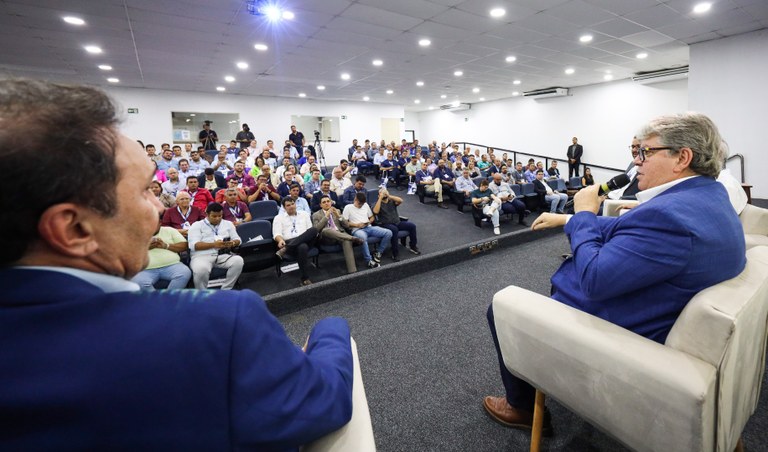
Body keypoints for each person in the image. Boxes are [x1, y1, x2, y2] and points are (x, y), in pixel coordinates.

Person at [0, 79, 353, 449]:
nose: (159, 207)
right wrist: (331, 328)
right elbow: (323, 400)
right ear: (73, 228)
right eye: (142, 191)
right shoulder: (217, 325)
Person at [484, 112, 747, 433]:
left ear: (682, 157)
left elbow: (594, 280)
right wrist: (568, 221)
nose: (636, 162)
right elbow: (636, 230)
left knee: (498, 306)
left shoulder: (669, 216)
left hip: (617, 333)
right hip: (657, 308)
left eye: (645, 153)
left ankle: (521, 407)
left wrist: (582, 213)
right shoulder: (709, 197)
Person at [187, 203, 243, 290]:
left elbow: (238, 239)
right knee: (201, 270)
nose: (217, 218)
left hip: (222, 255)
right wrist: (214, 244)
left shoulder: (228, 224)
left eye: (220, 216)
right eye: (214, 216)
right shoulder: (197, 225)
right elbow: (193, 245)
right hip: (201, 256)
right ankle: (202, 294)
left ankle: (226, 289)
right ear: (207, 214)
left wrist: (232, 243)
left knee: (238, 261)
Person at [312, 195, 364, 274]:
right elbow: (316, 229)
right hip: (327, 238)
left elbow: (346, 225)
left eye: (328, 201)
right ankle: (352, 238)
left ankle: (353, 271)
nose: (326, 203)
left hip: (340, 235)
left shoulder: (337, 211)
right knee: (326, 230)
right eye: (324, 202)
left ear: (331, 202)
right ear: (320, 205)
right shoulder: (316, 215)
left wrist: (338, 216)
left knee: (346, 241)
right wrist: (326, 216)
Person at [273, 197, 318, 286]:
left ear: (295, 204)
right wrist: (280, 240)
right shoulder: (278, 218)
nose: (291, 206)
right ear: (284, 207)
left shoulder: (304, 214)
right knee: (302, 246)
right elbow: (276, 234)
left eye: (292, 204)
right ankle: (305, 278)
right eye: (288, 205)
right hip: (289, 241)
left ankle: (285, 249)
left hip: (306, 240)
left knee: (314, 230)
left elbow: (309, 231)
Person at [131, 225, 192, 290]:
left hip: (172, 265)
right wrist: (146, 247)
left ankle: (170, 297)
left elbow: (184, 246)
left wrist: (165, 246)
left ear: (160, 222)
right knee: (138, 281)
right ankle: (157, 299)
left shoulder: (169, 230)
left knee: (185, 272)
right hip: (145, 269)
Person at [342, 192, 392, 268]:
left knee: (388, 233)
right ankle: (369, 260)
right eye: (359, 203)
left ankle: (378, 252)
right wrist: (357, 225)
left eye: (362, 204)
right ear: (355, 199)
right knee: (363, 238)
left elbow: (372, 217)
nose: (361, 205)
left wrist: (369, 221)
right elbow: (345, 223)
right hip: (357, 229)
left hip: (368, 227)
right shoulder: (348, 207)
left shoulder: (365, 205)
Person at [372, 188, 420, 260]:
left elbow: (400, 200)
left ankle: (413, 246)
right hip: (385, 224)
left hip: (397, 222)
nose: (384, 194)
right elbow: (375, 211)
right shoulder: (377, 203)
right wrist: (380, 198)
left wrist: (389, 196)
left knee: (412, 226)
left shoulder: (391, 201)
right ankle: (395, 254)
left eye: (385, 192)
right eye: (382, 193)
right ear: (378, 195)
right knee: (394, 230)